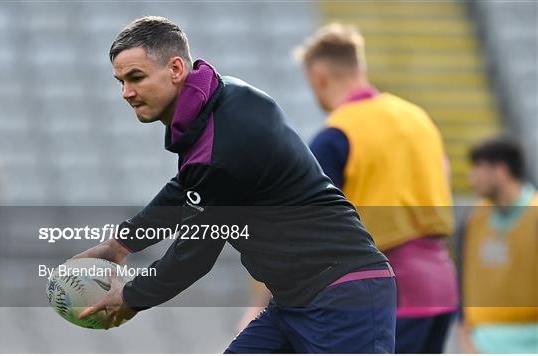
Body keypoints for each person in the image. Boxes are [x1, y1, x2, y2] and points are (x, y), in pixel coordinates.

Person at [73, 16, 397, 353]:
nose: (126, 92)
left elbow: (194, 255)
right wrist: (121, 244)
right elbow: (189, 186)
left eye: (136, 78)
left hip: (342, 296)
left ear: (175, 68)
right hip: (294, 300)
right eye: (120, 81)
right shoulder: (221, 99)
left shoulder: (222, 145)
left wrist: (129, 297)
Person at [296, 23, 458, 353]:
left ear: (318, 76)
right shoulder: (418, 119)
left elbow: (307, 224)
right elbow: (444, 175)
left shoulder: (338, 134)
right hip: (441, 288)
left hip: (387, 292)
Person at [458, 135, 538, 353]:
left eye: (478, 168)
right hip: (481, 342)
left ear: (501, 171)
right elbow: (467, 277)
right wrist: (465, 333)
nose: (471, 177)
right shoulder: (476, 217)